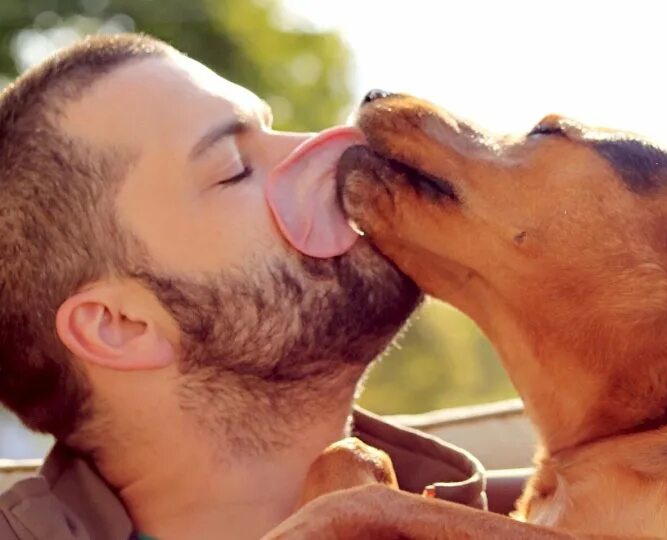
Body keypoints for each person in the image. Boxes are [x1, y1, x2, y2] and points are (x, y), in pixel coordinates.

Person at [0, 33, 492, 539]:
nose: (322, 150)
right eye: (233, 169)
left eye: (273, 128)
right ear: (120, 326)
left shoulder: (526, 515)